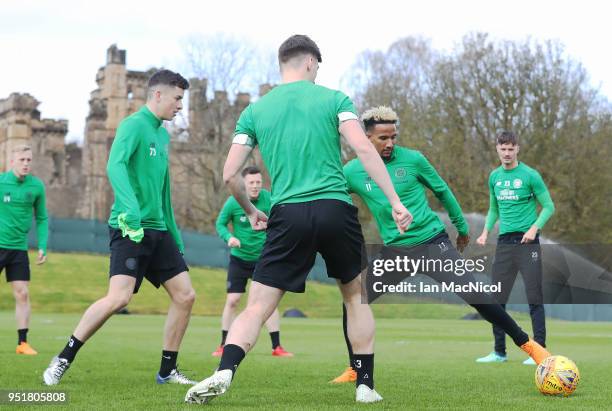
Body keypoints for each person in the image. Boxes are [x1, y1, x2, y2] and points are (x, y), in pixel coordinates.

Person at [185, 35, 412, 404]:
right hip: (335, 209)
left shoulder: (255, 111)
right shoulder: (335, 99)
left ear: (282, 64)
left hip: (287, 214)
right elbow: (363, 148)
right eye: (317, 67)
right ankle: (365, 386)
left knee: (257, 305)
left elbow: (230, 174)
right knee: (355, 297)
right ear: (310, 63)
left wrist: (251, 211)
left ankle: (223, 371)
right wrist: (394, 201)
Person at [332, 106, 551, 383]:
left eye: (394, 137)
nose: (390, 143)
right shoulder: (352, 170)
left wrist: (461, 228)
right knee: (354, 300)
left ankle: (530, 347)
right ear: (366, 137)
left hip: (432, 243)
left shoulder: (413, 160)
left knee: (476, 295)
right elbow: (332, 194)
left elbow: (442, 190)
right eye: (382, 138)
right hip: (396, 252)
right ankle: (356, 368)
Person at [43, 69, 196, 386]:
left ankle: (167, 371)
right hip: (129, 228)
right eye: (178, 99)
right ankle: (63, 357)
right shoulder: (133, 126)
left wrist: (175, 236)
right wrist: (130, 210)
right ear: (157, 95)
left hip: (159, 230)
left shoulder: (163, 135)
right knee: (118, 299)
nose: (181, 106)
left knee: (186, 296)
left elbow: (164, 190)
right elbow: (115, 165)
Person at [475, 130, 555, 365]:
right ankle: (499, 352)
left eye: (511, 149)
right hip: (504, 244)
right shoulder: (494, 177)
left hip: (528, 243)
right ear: (497, 149)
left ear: (517, 149)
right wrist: (485, 231)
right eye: (503, 149)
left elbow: (549, 207)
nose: (507, 153)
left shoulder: (530, 175)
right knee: (497, 300)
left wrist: (534, 228)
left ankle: (539, 350)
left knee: (534, 298)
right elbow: (493, 209)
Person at [213, 165, 293, 358]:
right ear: (244, 184)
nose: (256, 186)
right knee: (233, 300)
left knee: (268, 301)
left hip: (264, 259)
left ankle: (277, 346)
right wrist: (229, 238)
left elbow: (282, 220)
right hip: (240, 259)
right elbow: (220, 224)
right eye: (251, 183)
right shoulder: (234, 202)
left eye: (258, 182)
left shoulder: (269, 199)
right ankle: (224, 344)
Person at [0, 145, 48, 356]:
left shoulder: (36, 187)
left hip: (19, 249)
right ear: (12, 161)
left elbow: (42, 218)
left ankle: (22, 343)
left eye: (29, 160)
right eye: (22, 160)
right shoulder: (1, 183)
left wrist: (42, 246)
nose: (26, 164)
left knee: (22, 294)